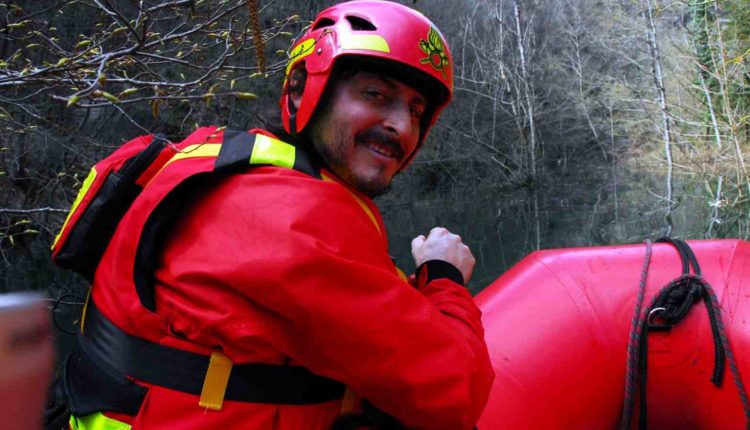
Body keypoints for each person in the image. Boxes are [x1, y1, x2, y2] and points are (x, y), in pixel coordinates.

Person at [55, 1, 494, 429]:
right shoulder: (291, 218)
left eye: (416, 111)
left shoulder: (235, 162)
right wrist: (443, 276)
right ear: (304, 89)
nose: (401, 125)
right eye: (376, 95)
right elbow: (456, 393)